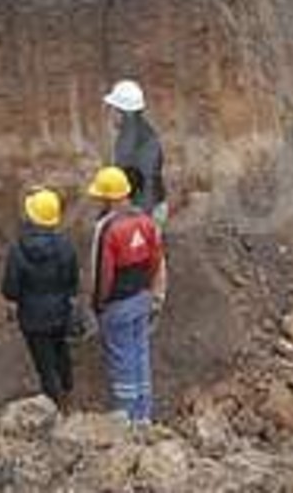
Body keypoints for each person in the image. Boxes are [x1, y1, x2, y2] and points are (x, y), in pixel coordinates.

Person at [87, 166, 167, 425]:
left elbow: (103, 272)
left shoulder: (107, 228)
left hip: (117, 303)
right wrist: (152, 293)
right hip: (142, 298)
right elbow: (156, 261)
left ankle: (125, 419)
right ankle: (143, 416)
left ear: (108, 197)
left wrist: (98, 304)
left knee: (121, 360)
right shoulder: (146, 222)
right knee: (140, 354)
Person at [1, 188, 79, 410]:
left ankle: (53, 403)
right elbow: (72, 279)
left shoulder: (18, 249)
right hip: (60, 311)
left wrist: (12, 303)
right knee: (61, 350)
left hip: (33, 317)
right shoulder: (66, 246)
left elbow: (11, 286)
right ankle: (67, 391)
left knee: (44, 362)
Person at [103, 80, 168, 227]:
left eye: (113, 109)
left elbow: (149, 180)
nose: (111, 114)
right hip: (139, 209)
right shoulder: (130, 136)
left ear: (124, 113)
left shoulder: (141, 141)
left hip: (145, 211)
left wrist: (141, 218)